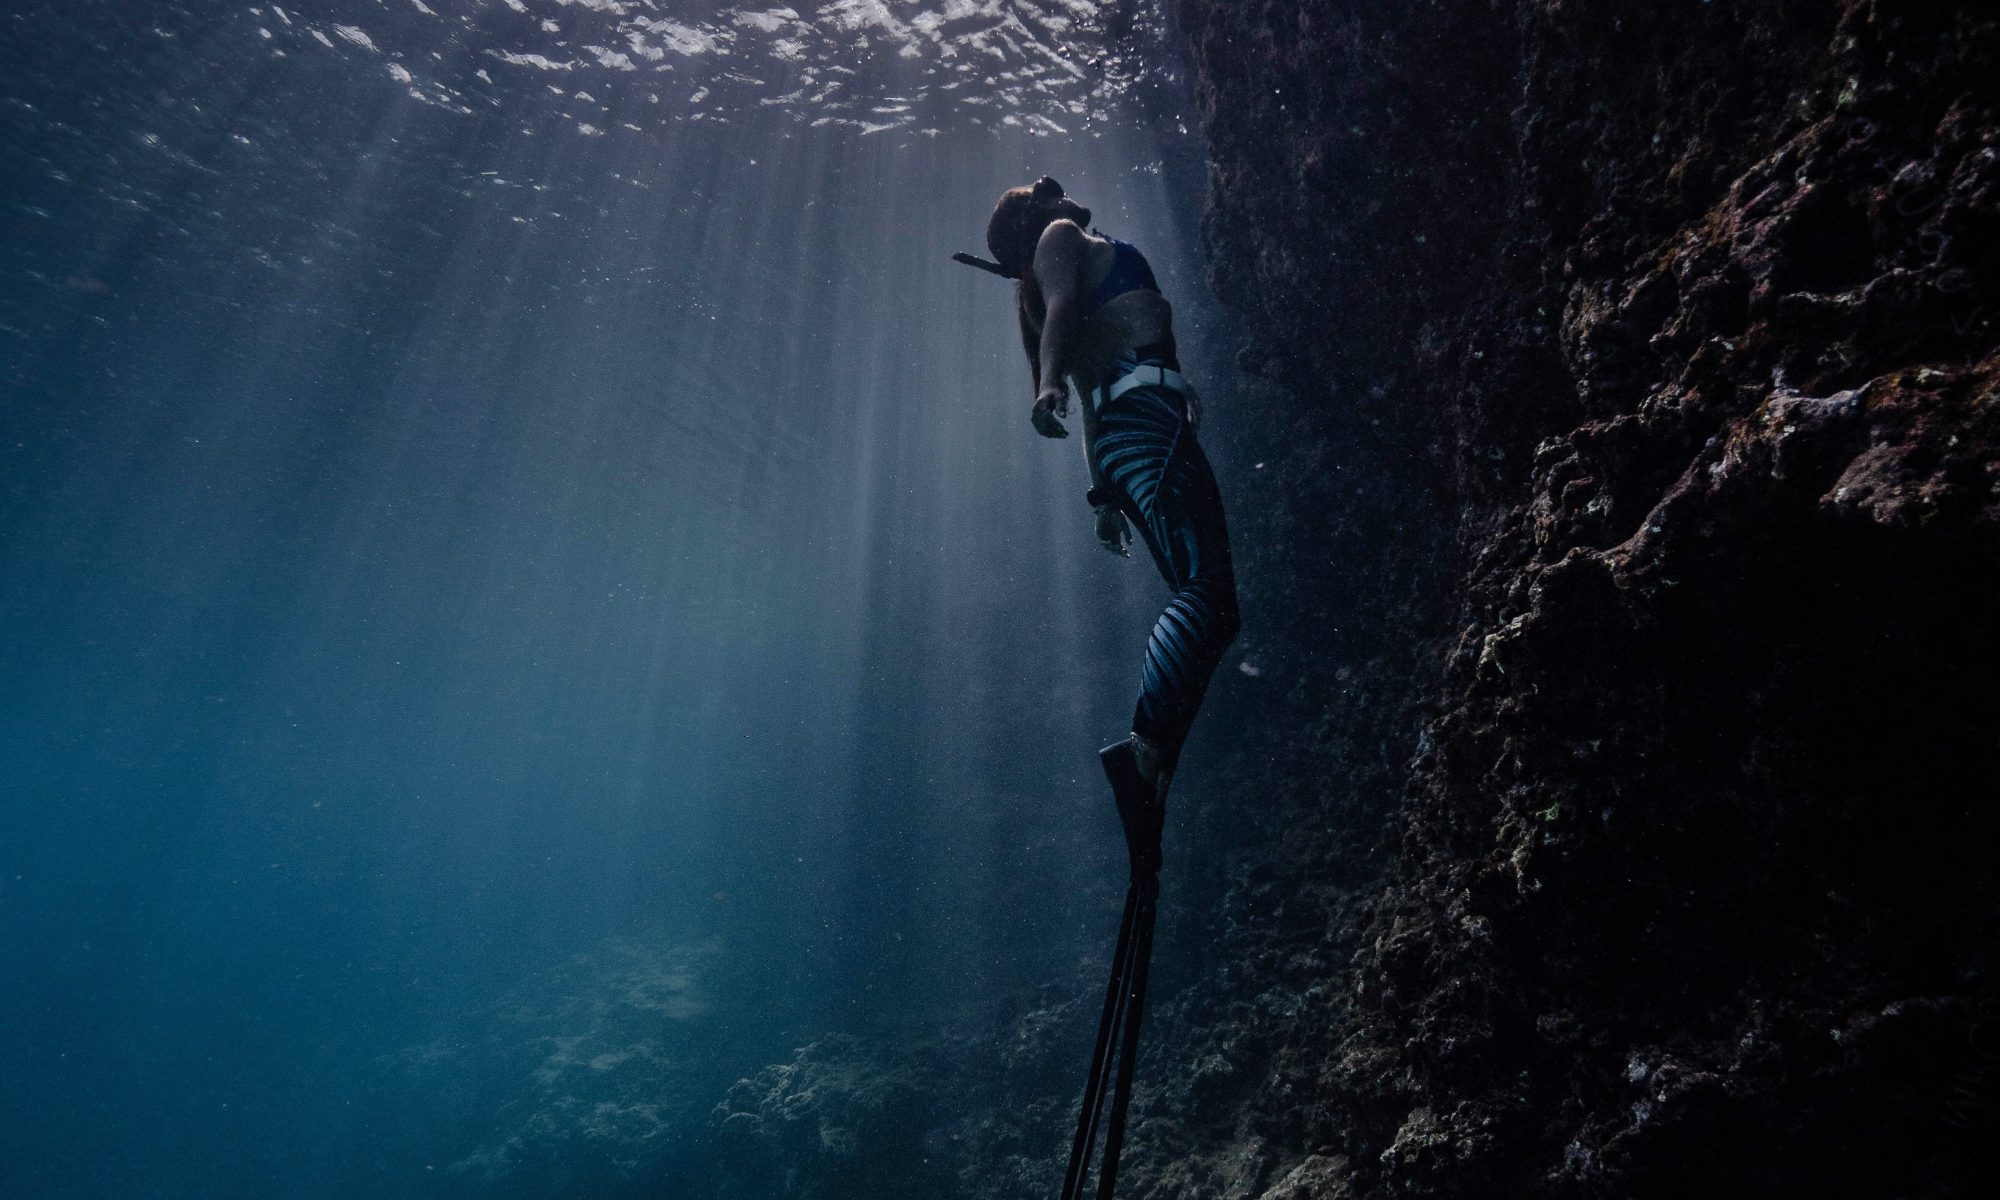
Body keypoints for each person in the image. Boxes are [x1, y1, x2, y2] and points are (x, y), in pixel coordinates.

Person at [979, 176, 1240, 872]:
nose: (1062, 194)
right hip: (1148, 428)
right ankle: (1145, 747)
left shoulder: (1060, 268)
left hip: (1134, 435)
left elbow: (1092, 393)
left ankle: (1153, 753)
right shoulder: (1060, 240)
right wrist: (1046, 387)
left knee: (1212, 601)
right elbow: (1062, 315)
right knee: (1208, 592)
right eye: (1047, 191)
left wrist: (1102, 499)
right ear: (1035, 220)